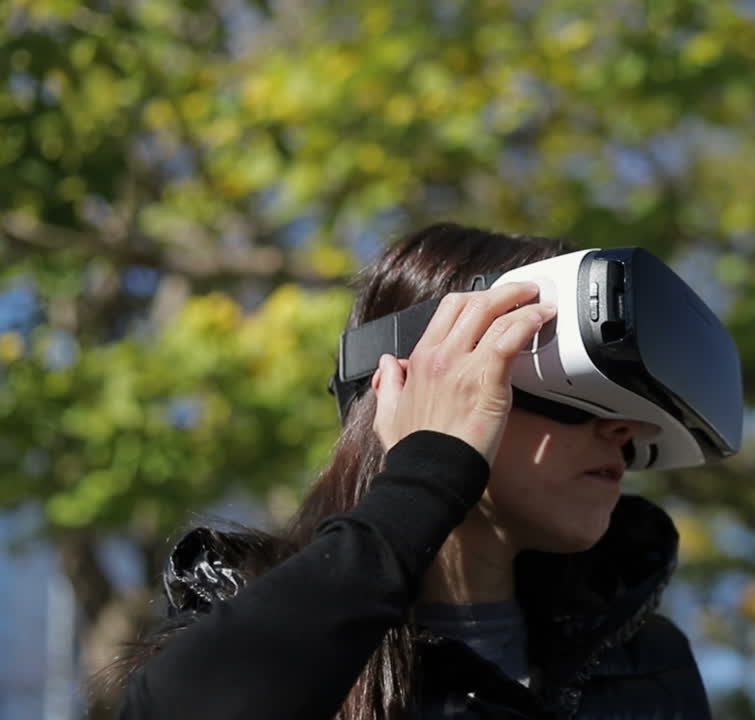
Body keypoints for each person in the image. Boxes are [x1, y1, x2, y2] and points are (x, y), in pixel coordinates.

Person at [109, 222, 713, 719]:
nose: (624, 428)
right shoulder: (242, 605)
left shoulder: (648, 665)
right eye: (575, 388)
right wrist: (428, 473)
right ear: (419, 382)